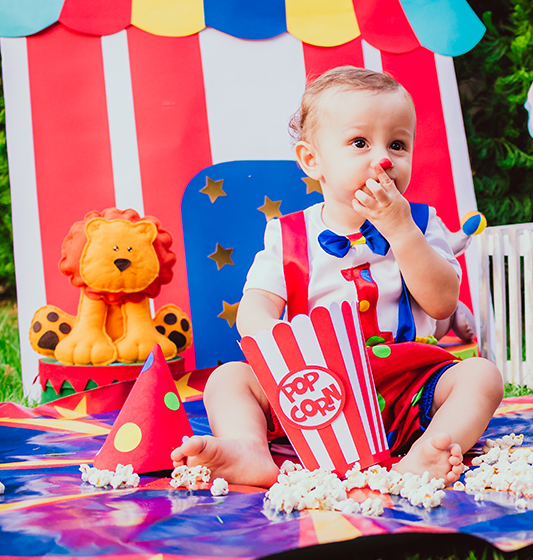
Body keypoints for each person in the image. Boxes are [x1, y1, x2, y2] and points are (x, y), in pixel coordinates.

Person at [173, 67, 504, 487]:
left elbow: (441, 303)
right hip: (314, 389)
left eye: (398, 144)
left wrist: (402, 231)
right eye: (360, 142)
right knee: (228, 379)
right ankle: (249, 449)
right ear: (313, 161)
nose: (383, 158)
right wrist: (285, 354)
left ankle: (425, 455)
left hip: (405, 384)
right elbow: (254, 309)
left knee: (480, 376)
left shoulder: (421, 223)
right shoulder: (288, 233)